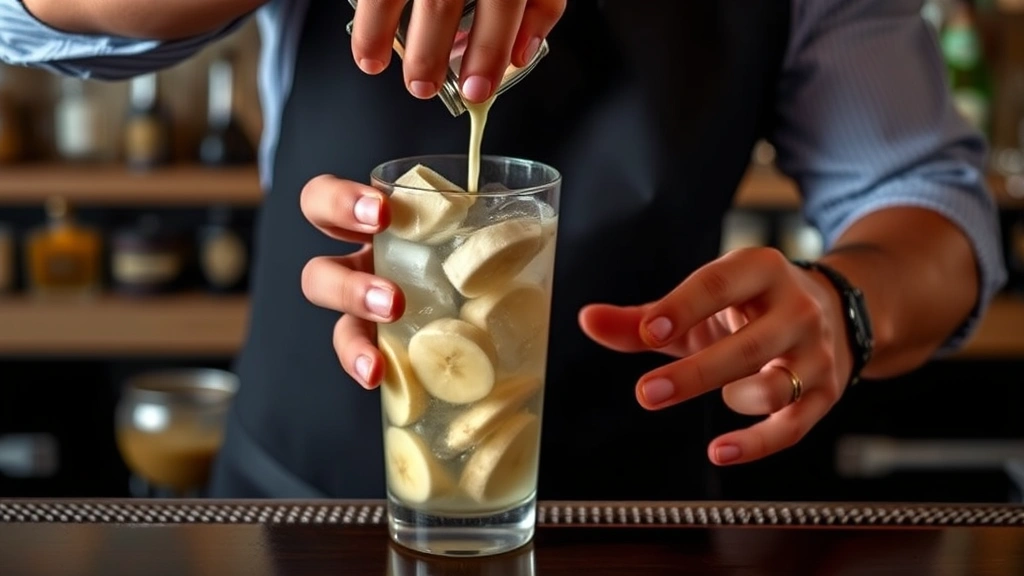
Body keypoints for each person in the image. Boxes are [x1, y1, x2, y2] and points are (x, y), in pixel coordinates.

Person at [2, 0, 1006, 501]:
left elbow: (927, 198)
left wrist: (843, 305)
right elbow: (47, 19)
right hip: (300, 508)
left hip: (635, 524)